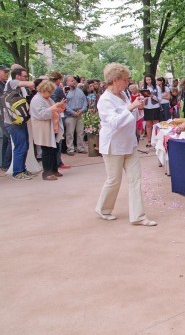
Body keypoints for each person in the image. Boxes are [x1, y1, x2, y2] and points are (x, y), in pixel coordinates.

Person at [95, 63, 157, 226]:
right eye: (125, 79)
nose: (128, 82)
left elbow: (131, 117)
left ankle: (138, 216)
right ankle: (103, 209)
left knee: (135, 179)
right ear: (115, 80)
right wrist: (131, 107)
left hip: (129, 144)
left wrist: (139, 108)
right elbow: (115, 122)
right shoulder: (105, 100)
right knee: (114, 180)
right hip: (113, 145)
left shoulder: (123, 94)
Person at [3, 65, 36, 180]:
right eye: (24, 76)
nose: (26, 78)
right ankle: (17, 172)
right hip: (13, 123)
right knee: (20, 146)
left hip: (19, 122)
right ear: (17, 77)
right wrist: (37, 82)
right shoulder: (12, 83)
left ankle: (22, 169)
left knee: (24, 145)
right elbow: (29, 84)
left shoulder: (18, 89)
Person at [30, 80, 66, 180]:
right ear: (43, 90)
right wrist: (54, 107)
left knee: (54, 150)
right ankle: (47, 173)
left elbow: (54, 110)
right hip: (44, 129)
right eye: (49, 92)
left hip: (53, 128)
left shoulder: (47, 99)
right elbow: (41, 114)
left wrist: (60, 106)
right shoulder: (37, 99)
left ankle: (54, 170)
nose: (50, 94)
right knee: (47, 151)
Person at [64, 75, 88, 155]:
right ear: (67, 82)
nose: (73, 82)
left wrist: (82, 110)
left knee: (80, 132)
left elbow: (85, 101)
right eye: (71, 80)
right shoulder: (65, 92)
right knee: (69, 133)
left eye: (74, 80)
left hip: (80, 114)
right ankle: (70, 149)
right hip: (70, 115)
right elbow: (64, 104)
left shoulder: (80, 91)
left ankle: (80, 148)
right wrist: (72, 112)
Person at [142, 74, 162, 148]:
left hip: (155, 107)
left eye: (149, 80)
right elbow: (141, 98)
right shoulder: (144, 88)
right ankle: (149, 141)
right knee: (148, 125)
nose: (148, 81)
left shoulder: (157, 88)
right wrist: (144, 98)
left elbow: (160, 99)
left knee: (156, 124)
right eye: (146, 80)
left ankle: (156, 141)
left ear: (152, 79)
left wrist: (152, 96)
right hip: (147, 107)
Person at [0, 65, 13, 174]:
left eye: (7, 72)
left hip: (5, 114)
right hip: (2, 114)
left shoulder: (4, 84)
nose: (6, 73)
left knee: (5, 139)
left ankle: (4, 163)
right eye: (4, 72)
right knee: (9, 138)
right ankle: (7, 164)